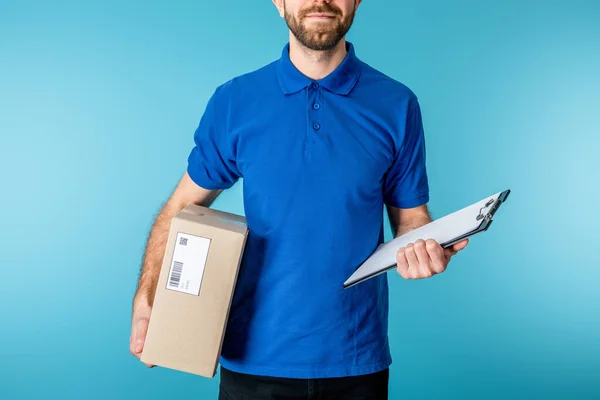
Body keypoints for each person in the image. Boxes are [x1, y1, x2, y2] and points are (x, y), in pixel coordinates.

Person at [129, 0, 469, 398]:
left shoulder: (397, 105)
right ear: (278, 2)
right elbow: (181, 207)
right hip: (250, 359)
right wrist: (148, 295)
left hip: (356, 359)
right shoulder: (236, 101)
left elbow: (412, 220)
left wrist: (427, 247)